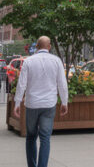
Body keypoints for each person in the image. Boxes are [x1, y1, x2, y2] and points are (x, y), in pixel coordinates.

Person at [13, 36, 68, 167]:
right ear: (49, 47)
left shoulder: (28, 61)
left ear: (37, 47)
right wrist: (64, 102)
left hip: (32, 104)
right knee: (45, 138)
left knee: (31, 136)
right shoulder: (56, 61)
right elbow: (62, 83)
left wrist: (17, 103)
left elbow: (22, 84)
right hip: (49, 104)